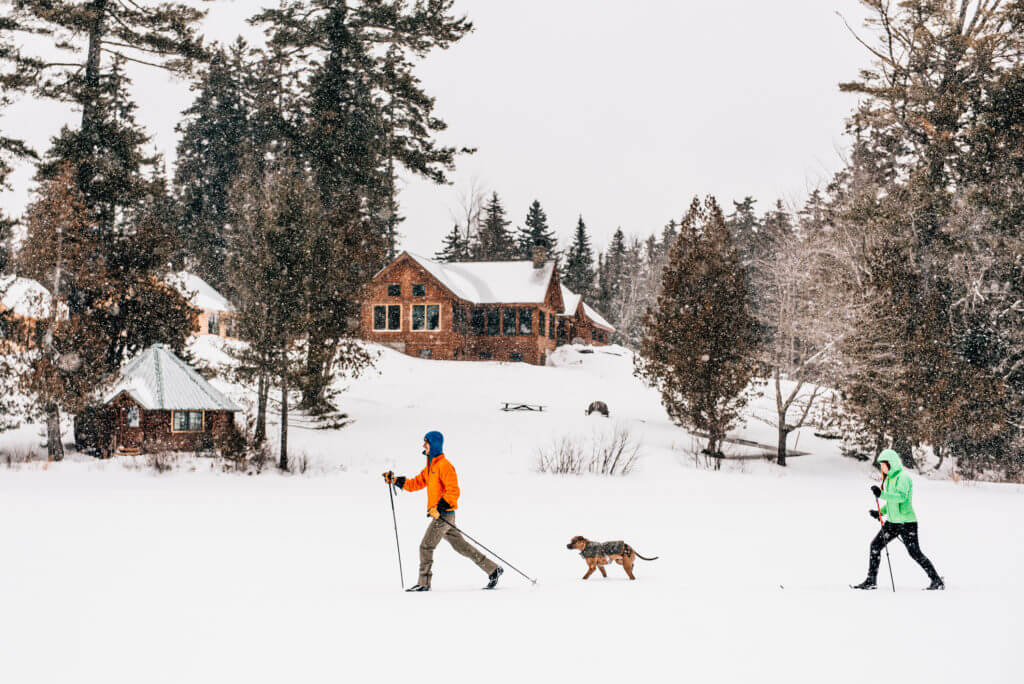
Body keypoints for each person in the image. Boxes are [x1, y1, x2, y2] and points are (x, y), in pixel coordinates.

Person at [383, 431, 503, 592]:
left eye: (426, 442)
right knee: (462, 547)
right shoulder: (431, 468)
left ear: (434, 445)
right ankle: (493, 569)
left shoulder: (444, 466)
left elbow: (453, 491)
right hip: (442, 515)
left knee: (426, 546)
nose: (423, 445)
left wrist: (440, 506)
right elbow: (415, 484)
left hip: (444, 515)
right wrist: (395, 480)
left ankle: (424, 583)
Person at [853, 449, 944, 590]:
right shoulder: (889, 479)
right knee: (875, 546)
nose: (881, 467)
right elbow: (891, 502)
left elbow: (900, 497)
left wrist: (882, 494)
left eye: (883, 464)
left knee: (914, 553)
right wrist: (880, 512)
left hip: (907, 523)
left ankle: (936, 580)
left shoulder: (903, 478)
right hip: (892, 523)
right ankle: (871, 581)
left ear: (891, 463)